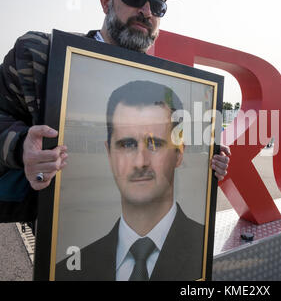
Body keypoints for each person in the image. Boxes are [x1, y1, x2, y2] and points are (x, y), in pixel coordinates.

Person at [0, 0, 230, 219]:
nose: (147, 11)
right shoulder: (40, 56)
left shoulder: (168, 89)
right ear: (106, 1)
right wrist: (20, 145)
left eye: (157, 5)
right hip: (65, 233)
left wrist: (205, 158)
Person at [56, 81, 206, 280]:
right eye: (127, 144)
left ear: (179, 153)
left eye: (155, 144)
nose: (140, 162)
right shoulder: (66, 271)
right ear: (109, 153)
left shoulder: (205, 249)